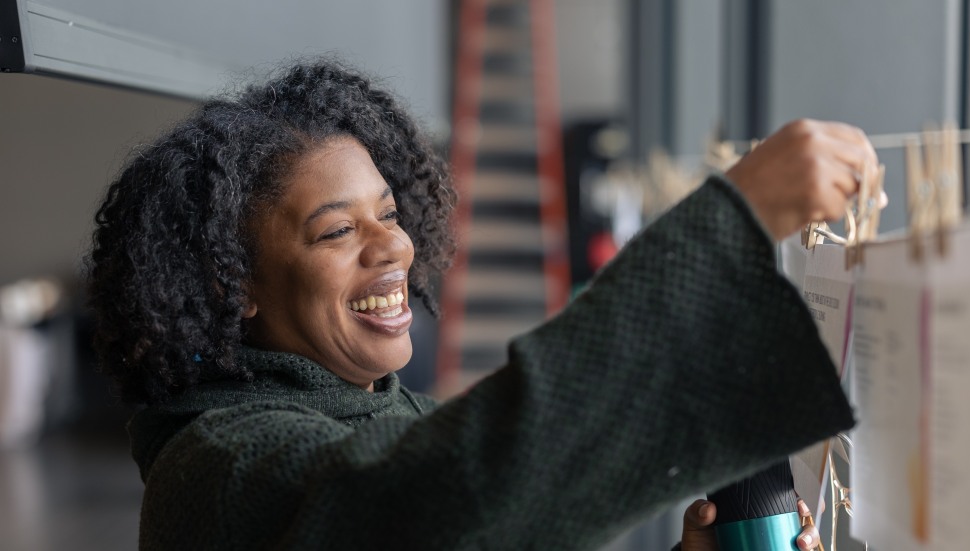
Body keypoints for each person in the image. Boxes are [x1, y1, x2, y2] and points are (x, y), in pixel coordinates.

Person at [86, 57, 873, 550]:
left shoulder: (400, 419)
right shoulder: (218, 467)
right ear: (236, 285)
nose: (391, 246)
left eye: (390, 213)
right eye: (336, 232)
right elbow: (449, 498)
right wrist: (733, 217)